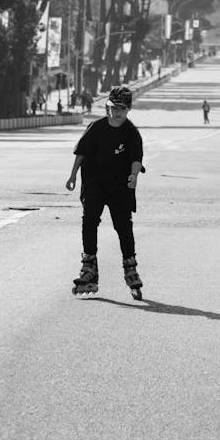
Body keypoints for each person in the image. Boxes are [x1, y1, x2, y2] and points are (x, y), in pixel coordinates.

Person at [65, 84, 145, 299]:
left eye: (121, 109)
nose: (116, 112)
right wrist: (73, 175)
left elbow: (137, 158)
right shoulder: (96, 128)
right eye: (112, 107)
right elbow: (81, 153)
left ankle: (130, 268)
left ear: (128, 110)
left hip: (120, 186)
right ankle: (89, 267)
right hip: (94, 183)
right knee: (89, 221)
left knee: (123, 227)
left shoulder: (131, 132)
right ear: (107, 107)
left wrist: (134, 175)